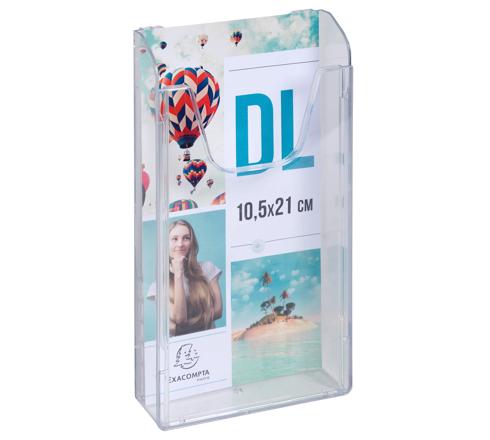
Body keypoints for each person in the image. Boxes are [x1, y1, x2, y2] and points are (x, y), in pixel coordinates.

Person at [148, 219, 223, 337]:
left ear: (192, 243)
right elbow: (180, 319)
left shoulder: (207, 268)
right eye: (174, 239)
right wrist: (178, 274)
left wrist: (183, 326)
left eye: (186, 238)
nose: (180, 244)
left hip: (209, 341)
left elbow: (218, 311)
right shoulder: (157, 286)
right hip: (179, 346)